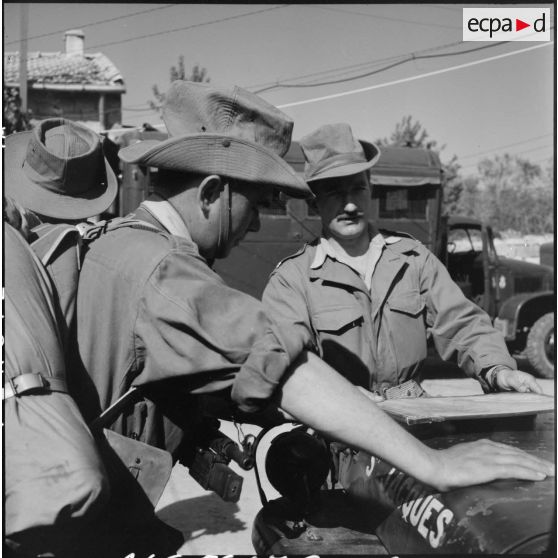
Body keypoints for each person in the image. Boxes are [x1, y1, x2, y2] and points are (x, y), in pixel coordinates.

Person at [73, 81, 552, 508]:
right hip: (348, 444)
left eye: (357, 188)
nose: (258, 222)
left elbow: (150, 374)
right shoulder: (171, 269)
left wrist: (497, 369)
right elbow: (278, 366)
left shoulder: (109, 246)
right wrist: (435, 465)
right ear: (210, 193)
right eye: (256, 204)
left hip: (398, 430)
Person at [262, 122, 544, 397]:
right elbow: (287, 365)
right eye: (335, 193)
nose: (349, 205)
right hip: (338, 430)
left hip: (413, 420)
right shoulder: (293, 279)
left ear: (370, 189)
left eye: (357, 189)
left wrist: (498, 370)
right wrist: (346, 402)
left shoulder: (413, 259)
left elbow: (462, 323)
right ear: (314, 202)